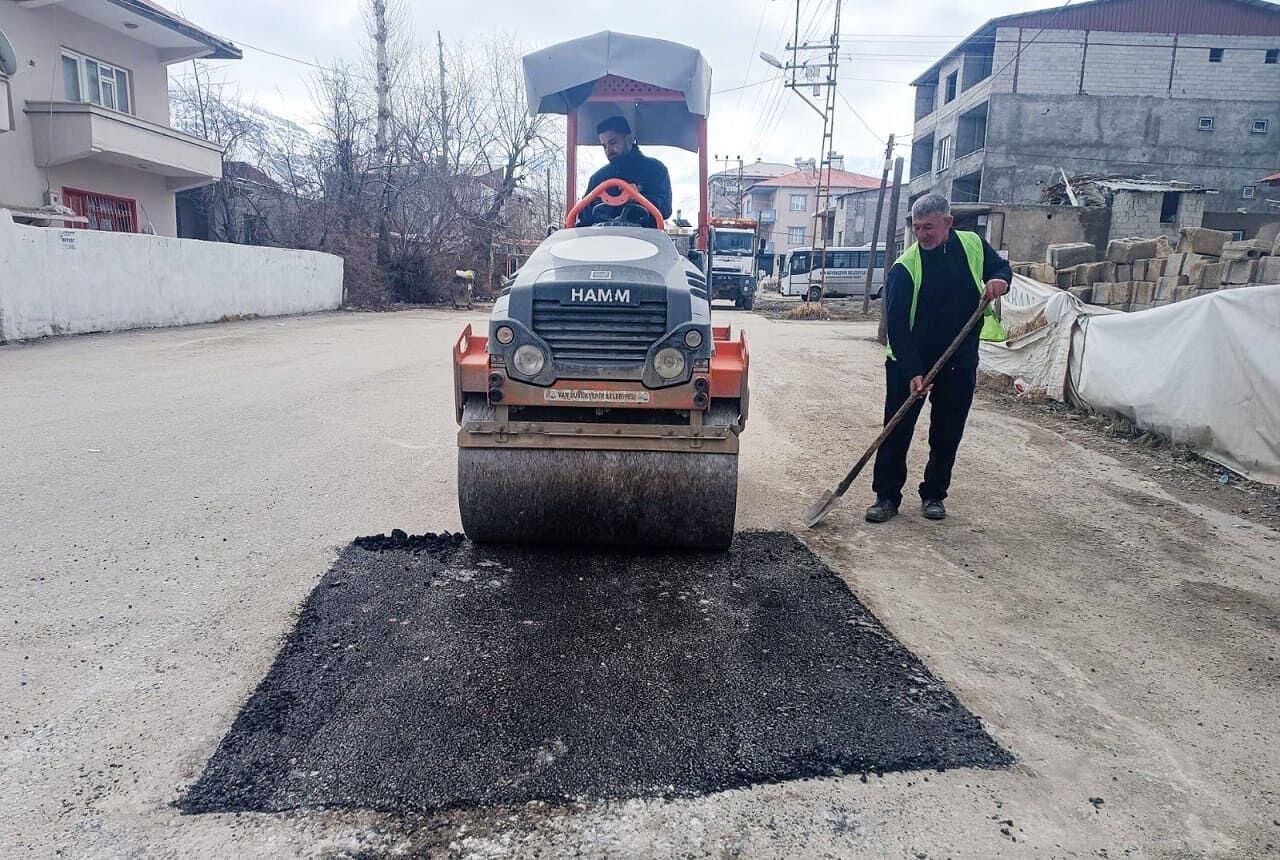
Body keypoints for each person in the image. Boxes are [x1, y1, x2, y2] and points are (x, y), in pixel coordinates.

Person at [865, 193, 1011, 523]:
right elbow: (896, 327)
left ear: (948, 222)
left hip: (959, 360)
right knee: (896, 430)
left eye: (928, 227)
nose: (922, 234)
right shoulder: (905, 268)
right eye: (917, 227)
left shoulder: (973, 245)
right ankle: (886, 496)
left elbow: (1000, 267)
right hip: (909, 360)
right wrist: (913, 371)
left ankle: (934, 494)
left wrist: (1000, 280)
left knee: (947, 433)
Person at [577, 116, 672, 226]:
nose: (608, 150)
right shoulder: (598, 178)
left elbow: (665, 208)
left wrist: (638, 198)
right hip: (603, 234)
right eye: (604, 146)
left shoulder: (655, 170)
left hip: (644, 234)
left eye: (613, 142)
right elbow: (583, 217)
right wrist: (597, 200)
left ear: (628, 139)